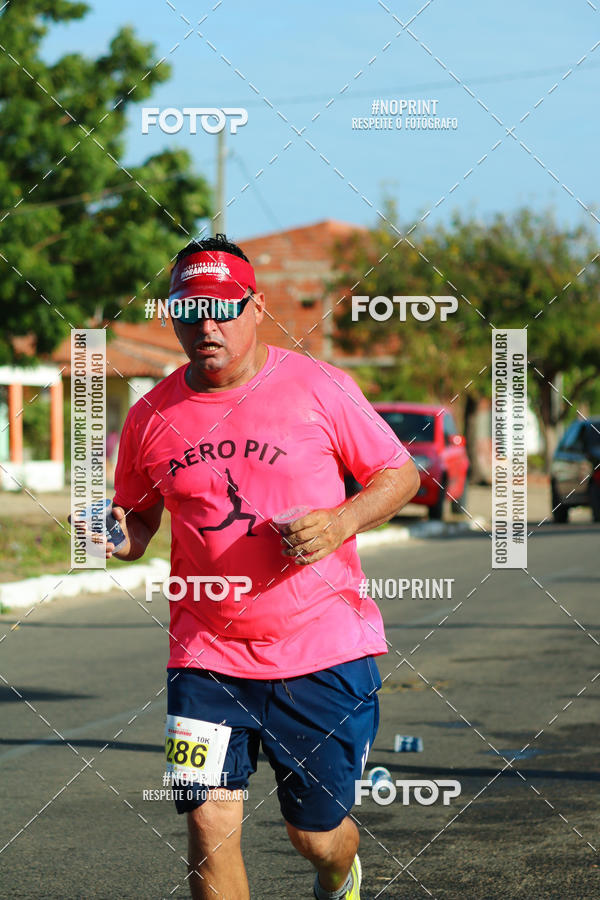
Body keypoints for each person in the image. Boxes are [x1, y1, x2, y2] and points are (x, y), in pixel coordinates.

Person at [106, 234, 420, 899]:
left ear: (257, 307)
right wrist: (112, 533)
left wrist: (339, 522)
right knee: (208, 822)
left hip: (322, 651)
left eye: (223, 308)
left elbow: (399, 475)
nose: (207, 326)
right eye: (190, 310)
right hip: (205, 656)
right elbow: (136, 520)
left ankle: (341, 871)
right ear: (171, 315)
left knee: (314, 835)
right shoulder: (149, 416)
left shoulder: (321, 388)